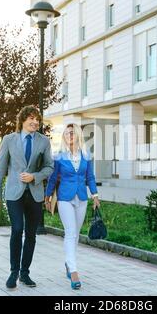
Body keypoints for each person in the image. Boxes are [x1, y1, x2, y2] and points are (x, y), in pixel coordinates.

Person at [0, 106, 54, 290]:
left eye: (37, 119)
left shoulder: (44, 141)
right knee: (17, 229)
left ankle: (25, 273)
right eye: (31, 118)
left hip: (35, 194)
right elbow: (0, 168)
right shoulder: (9, 140)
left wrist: (35, 176)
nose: (35, 122)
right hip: (14, 193)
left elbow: (50, 167)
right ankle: (13, 272)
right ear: (23, 119)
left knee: (31, 235)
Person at [45, 123, 100, 290]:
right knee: (70, 233)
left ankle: (69, 263)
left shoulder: (86, 155)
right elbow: (53, 179)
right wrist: (47, 196)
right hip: (64, 198)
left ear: (78, 135)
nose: (69, 135)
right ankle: (74, 271)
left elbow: (90, 177)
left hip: (82, 198)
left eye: (72, 133)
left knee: (75, 234)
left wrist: (95, 195)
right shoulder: (59, 157)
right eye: (67, 133)